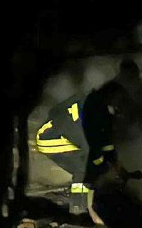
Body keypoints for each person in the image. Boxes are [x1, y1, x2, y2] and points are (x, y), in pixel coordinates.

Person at [35, 68, 134, 213]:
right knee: (83, 166)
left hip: (58, 132)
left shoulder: (89, 99)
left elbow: (55, 110)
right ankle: (78, 206)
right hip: (50, 139)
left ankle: (84, 201)